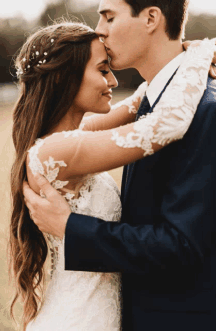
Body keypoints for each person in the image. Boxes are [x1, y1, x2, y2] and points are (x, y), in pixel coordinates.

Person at [14, 3, 215, 331]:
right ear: (68, 78)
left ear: (151, 18)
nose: (111, 79)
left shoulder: (80, 132)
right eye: (102, 69)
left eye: (108, 16)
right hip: (81, 319)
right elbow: (168, 123)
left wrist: (191, 57)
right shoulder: (55, 150)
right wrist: (201, 52)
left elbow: (140, 97)